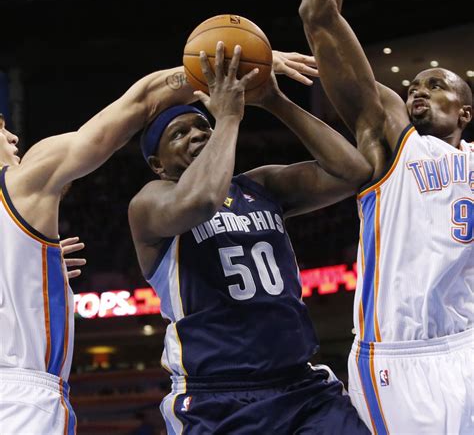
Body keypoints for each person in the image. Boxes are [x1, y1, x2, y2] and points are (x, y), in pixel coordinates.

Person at [0, 51, 326, 435]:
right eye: (1, 129)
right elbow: (142, 102)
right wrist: (230, 64)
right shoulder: (21, 182)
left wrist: (23, 272)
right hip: (19, 403)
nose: (13, 136)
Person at [128, 41, 372, 434]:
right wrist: (227, 117)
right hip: (217, 397)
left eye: (202, 127)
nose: (197, 135)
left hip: (301, 386)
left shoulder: (260, 185)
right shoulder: (150, 203)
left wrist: (276, 102)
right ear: (158, 164)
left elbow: (352, 172)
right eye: (179, 134)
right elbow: (202, 200)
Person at [299, 0, 473, 433]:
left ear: (465, 112)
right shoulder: (394, 143)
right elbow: (318, 13)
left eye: (436, 85)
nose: (418, 90)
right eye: (413, 86)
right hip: (401, 357)